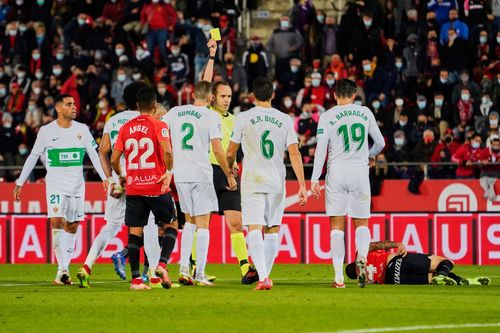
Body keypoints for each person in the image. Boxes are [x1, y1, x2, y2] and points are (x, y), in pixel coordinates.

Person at [76, 82, 166, 289]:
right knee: (150, 227)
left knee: (110, 227)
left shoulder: (113, 120)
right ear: (141, 100)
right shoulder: (147, 120)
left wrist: (109, 179)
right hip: (141, 178)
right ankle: (154, 276)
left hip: (118, 179)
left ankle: (86, 266)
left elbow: (103, 151)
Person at [13, 94, 108, 285]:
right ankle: (63, 269)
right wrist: (20, 182)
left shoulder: (82, 129)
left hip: (76, 187)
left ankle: (62, 272)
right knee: (57, 221)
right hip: (55, 185)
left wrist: (105, 178)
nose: (74, 107)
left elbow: (94, 154)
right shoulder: (46, 131)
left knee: (72, 226)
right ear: (58, 108)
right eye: (69, 104)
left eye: (74, 104)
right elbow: (33, 156)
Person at [226, 76, 308, 290]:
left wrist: (230, 170)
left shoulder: (243, 118)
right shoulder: (285, 119)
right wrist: (301, 185)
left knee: (254, 227)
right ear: (273, 95)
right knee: (272, 229)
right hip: (276, 180)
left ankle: (263, 277)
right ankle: (265, 275)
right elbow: (294, 153)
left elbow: (230, 151)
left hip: (252, 179)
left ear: (252, 96)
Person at [190, 40, 259, 285]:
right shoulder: (206, 112)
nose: (227, 100)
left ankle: (244, 268)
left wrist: (236, 165)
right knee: (203, 223)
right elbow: (205, 84)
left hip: (229, 171)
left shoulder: (235, 119)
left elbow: (235, 147)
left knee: (236, 222)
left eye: (229, 96)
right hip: (207, 170)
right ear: (212, 97)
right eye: (222, 96)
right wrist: (211, 57)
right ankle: (195, 268)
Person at [310, 79, 385, 288]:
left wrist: (315, 178)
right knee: (361, 222)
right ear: (354, 96)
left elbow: (321, 150)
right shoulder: (365, 113)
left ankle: (338, 278)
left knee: (336, 225)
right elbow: (381, 143)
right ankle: (361, 257)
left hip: (336, 173)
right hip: (359, 172)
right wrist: (369, 155)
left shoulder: (327, 116)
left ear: (335, 95)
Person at [163, 80, 237, 287]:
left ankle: (184, 269)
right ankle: (200, 274)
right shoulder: (212, 116)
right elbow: (218, 149)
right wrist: (229, 174)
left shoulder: (176, 112)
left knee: (189, 222)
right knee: (203, 224)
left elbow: (160, 126)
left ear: (193, 94)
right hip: (201, 174)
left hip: (180, 174)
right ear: (212, 98)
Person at [111, 87, 176, 291]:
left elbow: (114, 159)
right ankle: (162, 265)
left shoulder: (125, 128)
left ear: (138, 106)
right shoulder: (159, 125)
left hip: (135, 187)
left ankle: (136, 281)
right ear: (155, 106)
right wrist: (169, 172)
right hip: (156, 186)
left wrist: (122, 176)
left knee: (135, 233)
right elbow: (167, 151)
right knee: (171, 226)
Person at [345, 240, 491, 286]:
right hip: (397, 262)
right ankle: (442, 275)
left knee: (432, 278)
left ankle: (463, 281)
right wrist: (397, 244)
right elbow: (379, 244)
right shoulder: (361, 253)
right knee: (446, 261)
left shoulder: (362, 280)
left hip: (395, 280)